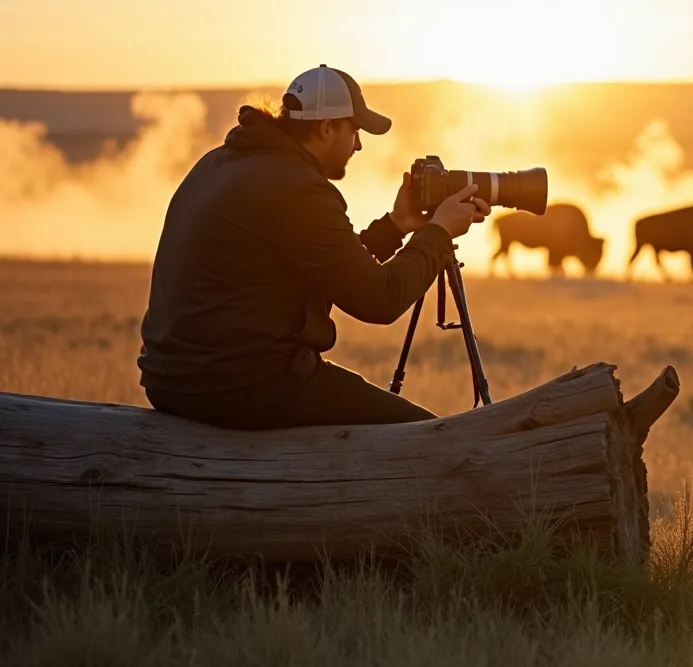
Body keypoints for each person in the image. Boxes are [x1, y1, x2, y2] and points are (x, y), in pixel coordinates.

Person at [137, 64, 490, 430]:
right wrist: (438, 233)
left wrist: (395, 226)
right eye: (354, 130)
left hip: (171, 382)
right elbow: (381, 299)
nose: (359, 144)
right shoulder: (298, 189)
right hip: (241, 387)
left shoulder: (220, 163)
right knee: (425, 440)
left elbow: (324, 260)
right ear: (326, 128)